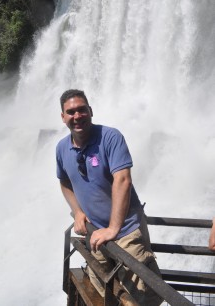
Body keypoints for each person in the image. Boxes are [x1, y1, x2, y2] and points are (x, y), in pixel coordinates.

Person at [56, 89, 162, 305]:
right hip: (95, 233)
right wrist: (77, 211)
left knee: (141, 297)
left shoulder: (110, 137)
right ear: (63, 117)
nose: (77, 116)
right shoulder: (61, 148)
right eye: (71, 112)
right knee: (104, 291)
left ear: (90, 111)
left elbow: (123, 180)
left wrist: (113, 228)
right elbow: (64, 181)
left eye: (81, 110)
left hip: (126, 231)